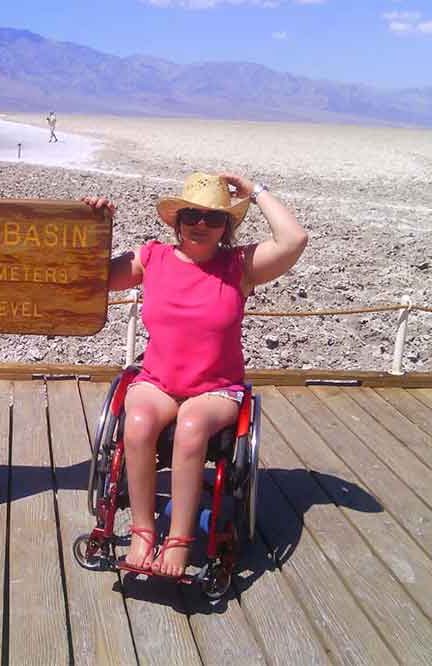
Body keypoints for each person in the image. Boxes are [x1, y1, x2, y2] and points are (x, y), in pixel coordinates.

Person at [82, 172, 307, 578]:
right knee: (136, 423)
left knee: (190, 427)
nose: (200, 224)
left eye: (213, 218)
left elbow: (294, 240)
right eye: (191, 215)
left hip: (216, 389)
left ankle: (180, 540)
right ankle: (143, 532)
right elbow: (92, 272)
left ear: (227, 227)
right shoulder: (151, 258)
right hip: (158, 381)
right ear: (176, 221)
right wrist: (96, 226)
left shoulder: (240, 265)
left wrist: (255, 192)